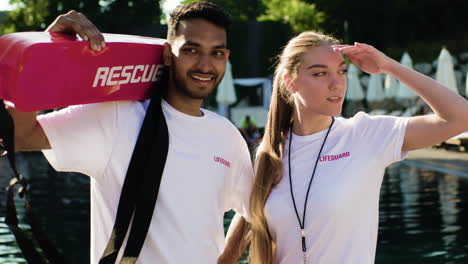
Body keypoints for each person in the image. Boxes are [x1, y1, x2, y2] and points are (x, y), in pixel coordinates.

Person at [5, 2, 253, 263]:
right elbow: (21, 136)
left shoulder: (227, 136)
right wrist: (46, 53)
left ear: (225, 57)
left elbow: (252, 211)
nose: (205, 65)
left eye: (216, 53)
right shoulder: (116, 117)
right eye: (191, 50)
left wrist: (226, 259)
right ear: (168, 54)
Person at [225, 31, 468, 264]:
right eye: (320, 74)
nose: (336, 84)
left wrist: (389, 67)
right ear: (291, 82)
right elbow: (248, 216)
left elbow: (460, 117)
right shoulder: (270, 154)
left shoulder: (365, 135)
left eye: (341, 72)